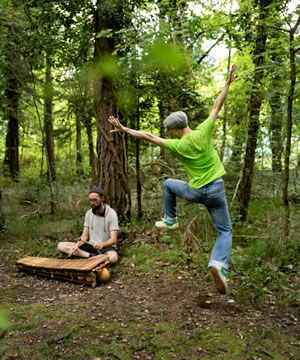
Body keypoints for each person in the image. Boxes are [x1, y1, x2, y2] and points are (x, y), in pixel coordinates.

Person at [108, 64, 237, 294]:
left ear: (176, 131)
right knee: (225, 231)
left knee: (168, 183)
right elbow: (217, 105)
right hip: (216, 190)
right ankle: (218, 264)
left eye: (170, 132)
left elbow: (148, 136)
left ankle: (170, 219)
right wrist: (227, 84)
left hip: (197, 192)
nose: (169, 135)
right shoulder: (204, 130)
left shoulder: (177, 145)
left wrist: (124, 129)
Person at [57, 186, 119, 264]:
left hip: (105, 247)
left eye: (95, 200)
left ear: (102, 198)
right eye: (90, 200)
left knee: (113, 257)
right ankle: (93, 257)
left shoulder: (111, 214)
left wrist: (102, 244)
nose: (92, 203)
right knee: (61, 245)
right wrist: (77, 244)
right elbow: (84, 237)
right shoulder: (89, 213)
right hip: (90, 245)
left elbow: (113, 240)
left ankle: (87, 258)